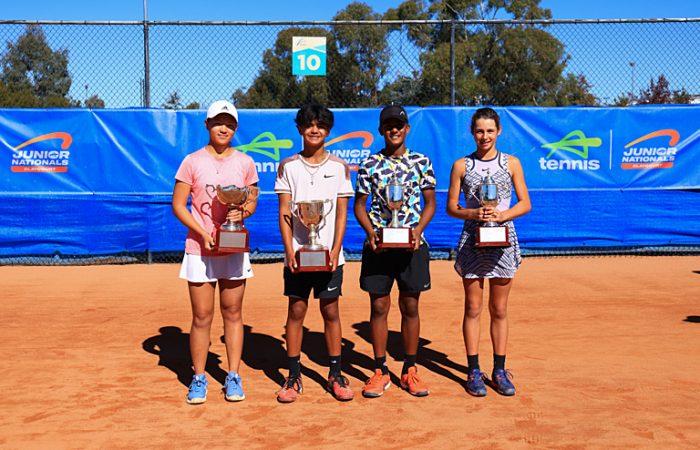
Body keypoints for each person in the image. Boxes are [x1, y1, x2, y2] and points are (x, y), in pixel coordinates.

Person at [172, 100, 259, 404]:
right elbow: (178, 205)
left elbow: (251, 201)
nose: (225, 128)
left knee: (233, 313)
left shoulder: (245, 162)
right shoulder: (192, 161)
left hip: (233, 249)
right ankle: (198, 378)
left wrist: (242, 214)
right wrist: (202, 232)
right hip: (200, 249)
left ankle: (233, 375)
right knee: (201, 317)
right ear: (207, 125)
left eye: (230, 123)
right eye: (219, 122)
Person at [446, 107, 531, 397]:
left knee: (500, 309)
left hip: (504, 241)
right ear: (473, 132)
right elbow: (451, 207)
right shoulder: (461, 166)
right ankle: (473, 370)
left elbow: (524, 203)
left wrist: (501, 216)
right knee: (473, 307)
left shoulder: (512, 164)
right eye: (480, 131)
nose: (485, 136)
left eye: (490, 131)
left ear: (499, 132)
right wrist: (475, 213)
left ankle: (499, 370)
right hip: (472, 240)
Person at [273, 104, 355, 403]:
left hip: (330, 256)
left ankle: (335, 373)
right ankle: (293, 375)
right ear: (300, 129)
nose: (314, 129)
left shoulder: (339, 168)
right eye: (309, 124)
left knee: (330, 311)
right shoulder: (288, 167)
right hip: (297, 254)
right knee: (296, 311)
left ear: (328, 130)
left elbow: (342, 214)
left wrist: (334, 250)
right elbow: (284, 211)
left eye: (320, 124)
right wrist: (290, 250)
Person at [354, 105, 436, 398]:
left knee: (411, 306)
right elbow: (359, 207)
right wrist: (370, 233)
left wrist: (417, 231)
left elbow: (430, 204)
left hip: (412, 245)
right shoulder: (369, 164)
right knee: (378, 307)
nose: (394, 129)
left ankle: (410, 369)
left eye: (399, 124)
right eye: (388, 125)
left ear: (406, 128)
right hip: (378, 245)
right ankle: (380, 370)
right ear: (381, 130)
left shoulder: (421, 162)